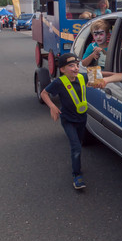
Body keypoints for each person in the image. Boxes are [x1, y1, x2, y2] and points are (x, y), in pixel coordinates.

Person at [40, 54, 89, 190]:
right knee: (76, 147)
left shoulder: (81, 78)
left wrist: (117, 75)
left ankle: (76, 165)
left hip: (81, 118)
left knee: (78, 144)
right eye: (71, 66)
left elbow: (99, 74)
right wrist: (52, 106)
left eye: (77, 65)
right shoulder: (59, 82)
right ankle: (77, 175)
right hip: (68, 120)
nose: (75, 68)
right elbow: (44, 93)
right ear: (62, 69)